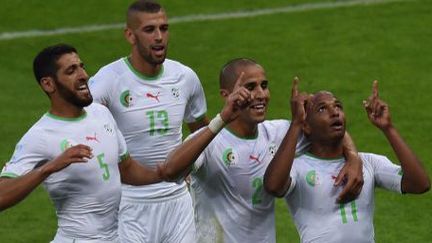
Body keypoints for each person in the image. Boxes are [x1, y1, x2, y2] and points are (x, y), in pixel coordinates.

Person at [159, 58, 364, 242]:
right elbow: (169, 171)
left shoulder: (279, 134)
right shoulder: (210, 139)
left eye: (264, 86)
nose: (261, 94)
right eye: (250, 87)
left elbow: (330, 127)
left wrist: (354, 158)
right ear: (226, 95)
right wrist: (221, 119)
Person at [0, 44, 164, 242]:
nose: (84, 75)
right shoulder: (40, 136)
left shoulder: (101, 113)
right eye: (71, 71)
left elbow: (126, 169)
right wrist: (48, 169)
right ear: (48, 84)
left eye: (81, 66)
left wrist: (164, 174)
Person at [88, 1, 209, 242]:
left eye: (164, 28)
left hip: (178, 201)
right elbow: (83, 127)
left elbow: (202, 132)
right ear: (130, 35)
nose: (159, 37)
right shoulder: (108, 80)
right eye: (149, 30)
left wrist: (192, 166)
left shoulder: (185, 78)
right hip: (129, 203)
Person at [264, 80, 431, 242]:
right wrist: (295, 124)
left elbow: (419, 184)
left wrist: (388, 128)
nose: (335, 112)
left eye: (338, 106)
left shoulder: (368, 163)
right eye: (322, 109)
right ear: (306, 126)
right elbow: (274, 186)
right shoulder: (297, 167)